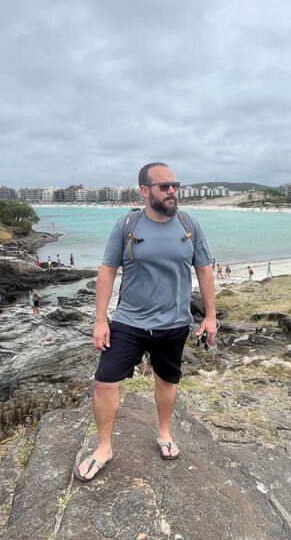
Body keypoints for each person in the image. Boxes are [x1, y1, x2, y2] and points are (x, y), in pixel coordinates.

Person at [75, 162, 216, 483]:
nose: (172, 191)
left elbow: (204, 269)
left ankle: (164, 434)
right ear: (145, 191)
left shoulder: (189, 224)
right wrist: (101, 320)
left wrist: (210, 316)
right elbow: (107, 270)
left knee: (167, 381)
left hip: (174, 322)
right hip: (129, 321)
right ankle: (104, 448)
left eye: (174, 185)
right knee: (105, 381)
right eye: (164, 186)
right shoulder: (127, 225)